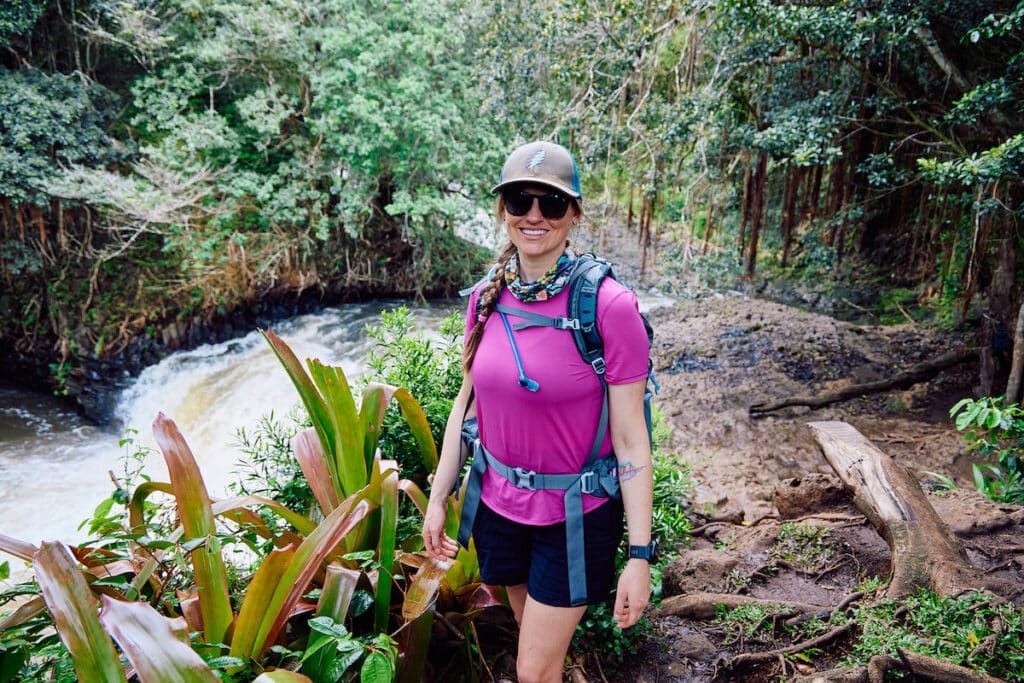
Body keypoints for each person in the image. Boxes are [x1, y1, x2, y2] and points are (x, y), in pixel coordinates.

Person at [422, 140, 654, 683]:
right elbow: (468, 402)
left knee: (531, 669)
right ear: (503, 210)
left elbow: (630, 439)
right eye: (520, 200)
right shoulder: (484, 298)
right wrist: (439, 498)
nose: (534, 215)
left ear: (573, 213)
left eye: (550, 203)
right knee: (539, 654)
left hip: (573, 515)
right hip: (499, 507)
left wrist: (640, 556)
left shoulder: (608, 307)